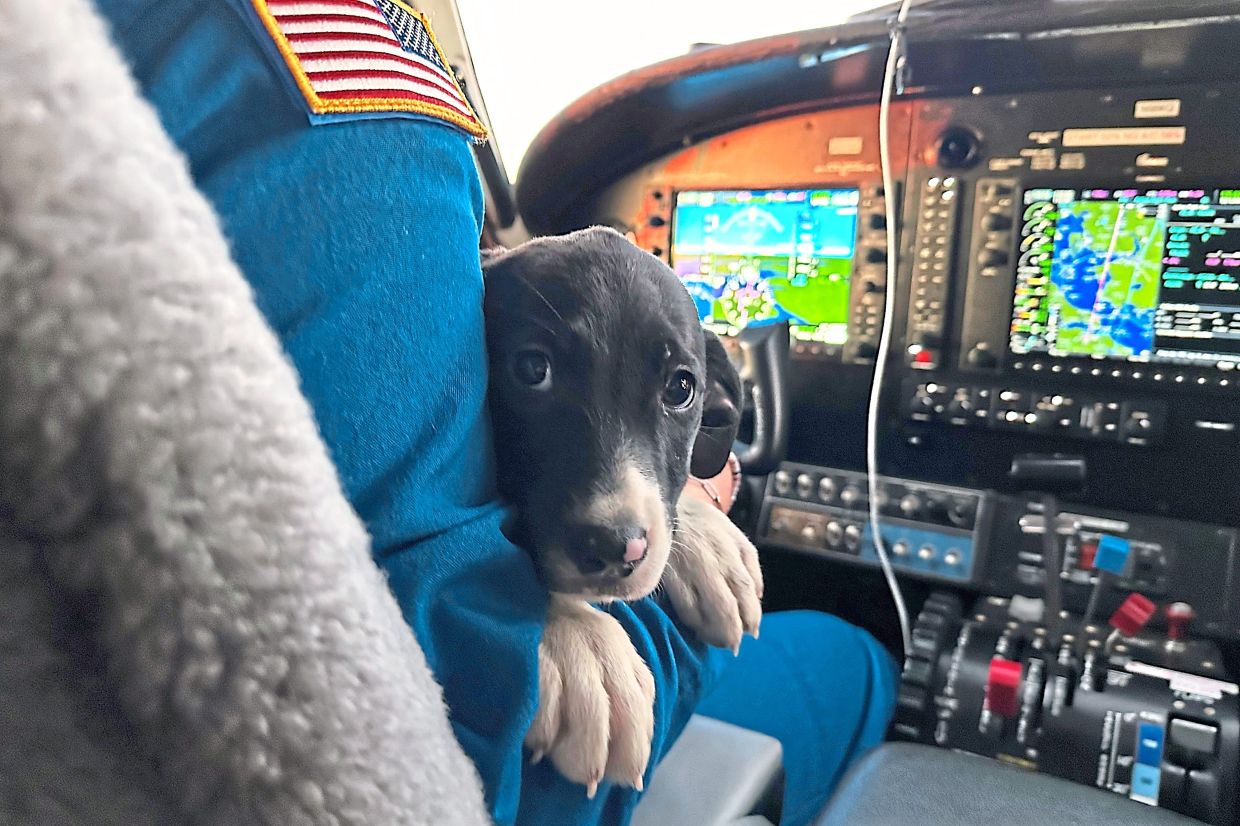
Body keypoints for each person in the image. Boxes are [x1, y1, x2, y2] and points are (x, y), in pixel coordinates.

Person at [92, 1, 896, 823]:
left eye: (681, 393)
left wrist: (678, 508)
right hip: (457, 778)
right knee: (856, 656)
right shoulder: (322, 84)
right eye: (537, 368)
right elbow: (476, 726)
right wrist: (692, 529)